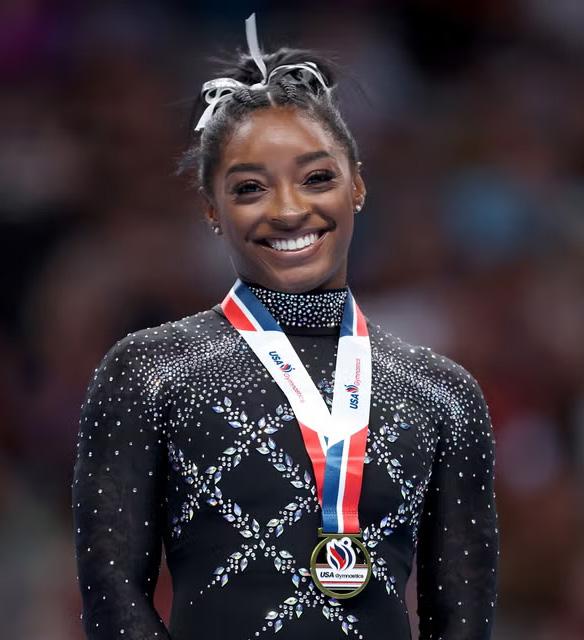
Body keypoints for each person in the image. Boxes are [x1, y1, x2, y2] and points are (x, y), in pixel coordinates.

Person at [72, 14, 499, 640]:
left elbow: (461, 618)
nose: (290, 209)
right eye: (250, 188)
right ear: (211, 209)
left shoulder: (441, 393)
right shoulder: (151, 372)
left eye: (316, 178)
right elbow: (113, 599)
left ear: (357, 185)